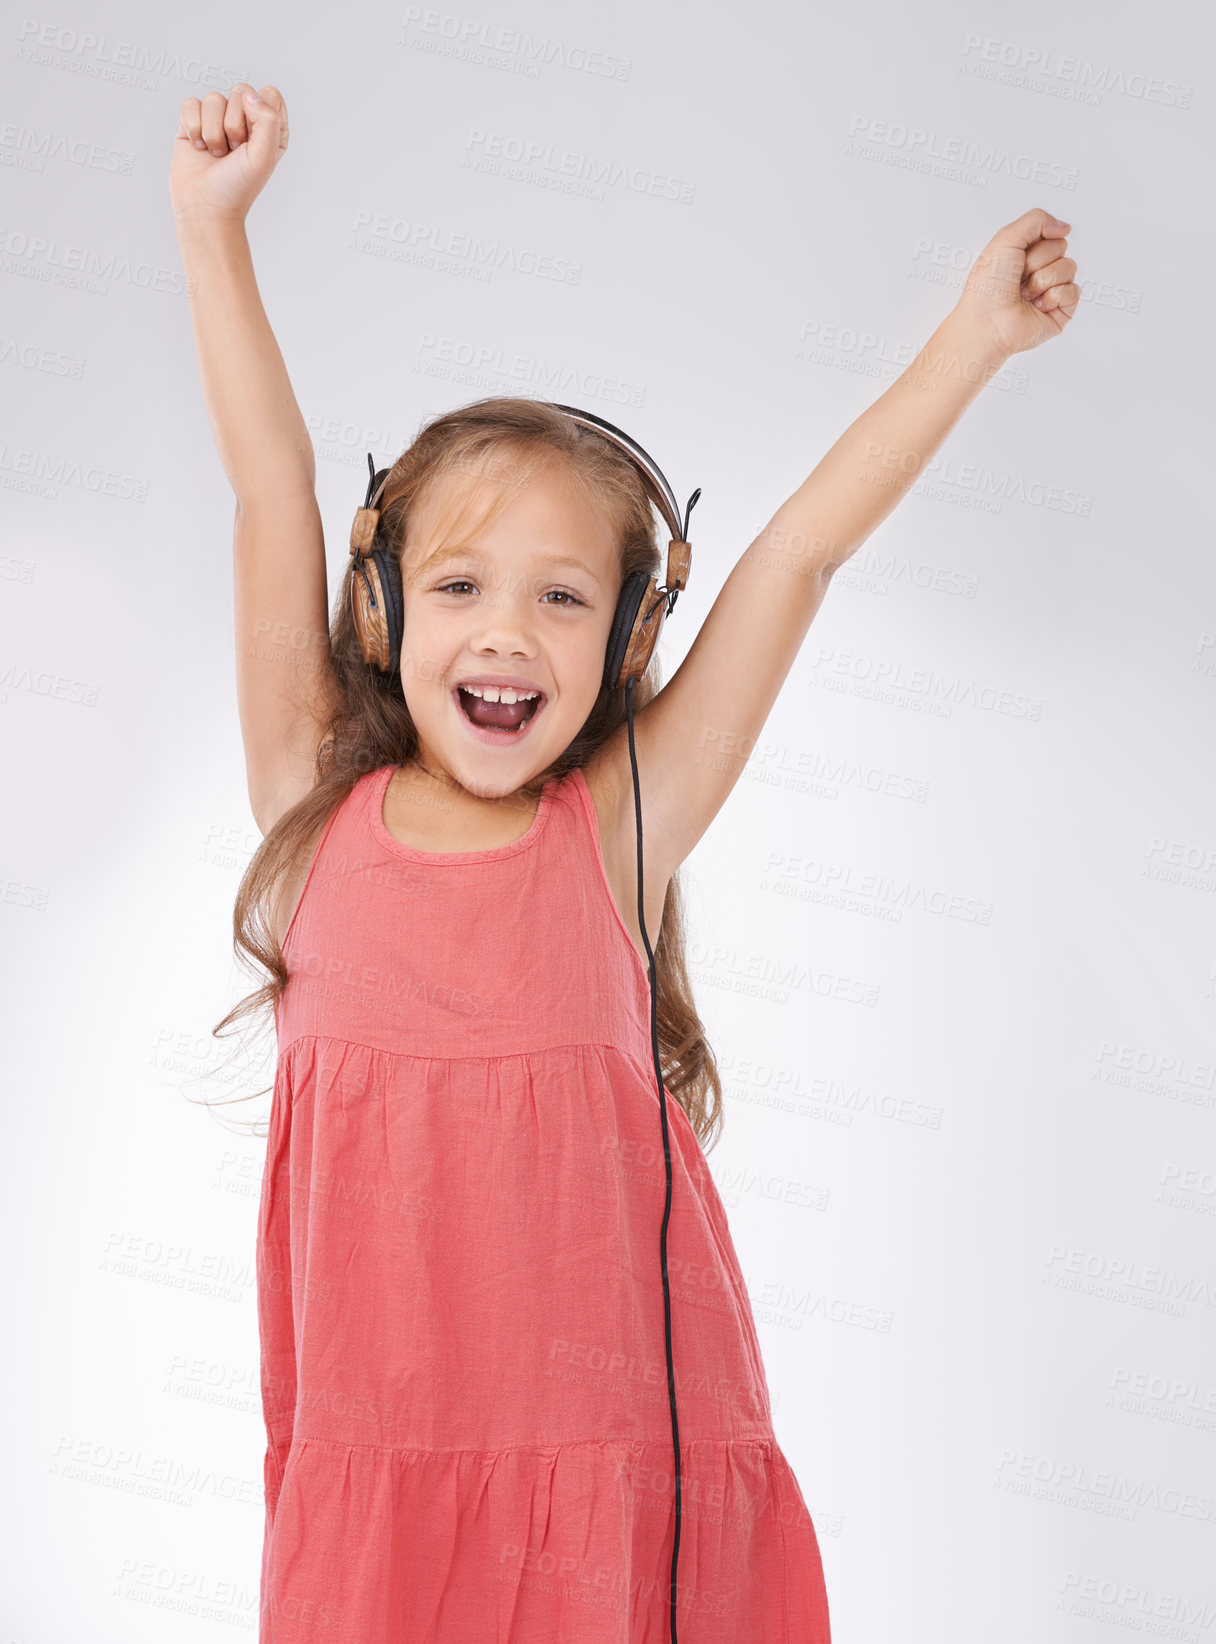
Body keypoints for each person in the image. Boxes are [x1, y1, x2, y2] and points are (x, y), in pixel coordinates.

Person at [169, 82, 1079, 1644]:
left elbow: (796, 551)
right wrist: (212, 229)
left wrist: (972, 343)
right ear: (382, 607)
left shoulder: (619, 827)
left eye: (563, 598)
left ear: (631, 636)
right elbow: (272, 486)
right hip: (386, 1455)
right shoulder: (310, 807)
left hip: (619, 1458)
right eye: (460, 584)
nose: (508, 631)